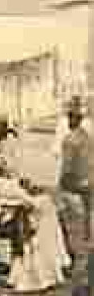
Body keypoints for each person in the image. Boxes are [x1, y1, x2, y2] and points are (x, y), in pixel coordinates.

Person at [59, 97, 91, 266]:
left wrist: (61, 186)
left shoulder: (69, 140)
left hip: (73, 186)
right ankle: (85, 252)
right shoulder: (87, 137)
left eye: (71, 118)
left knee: (68, 222)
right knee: (86, 221)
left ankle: (73, 256)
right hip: (88, 185)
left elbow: (67, 168)